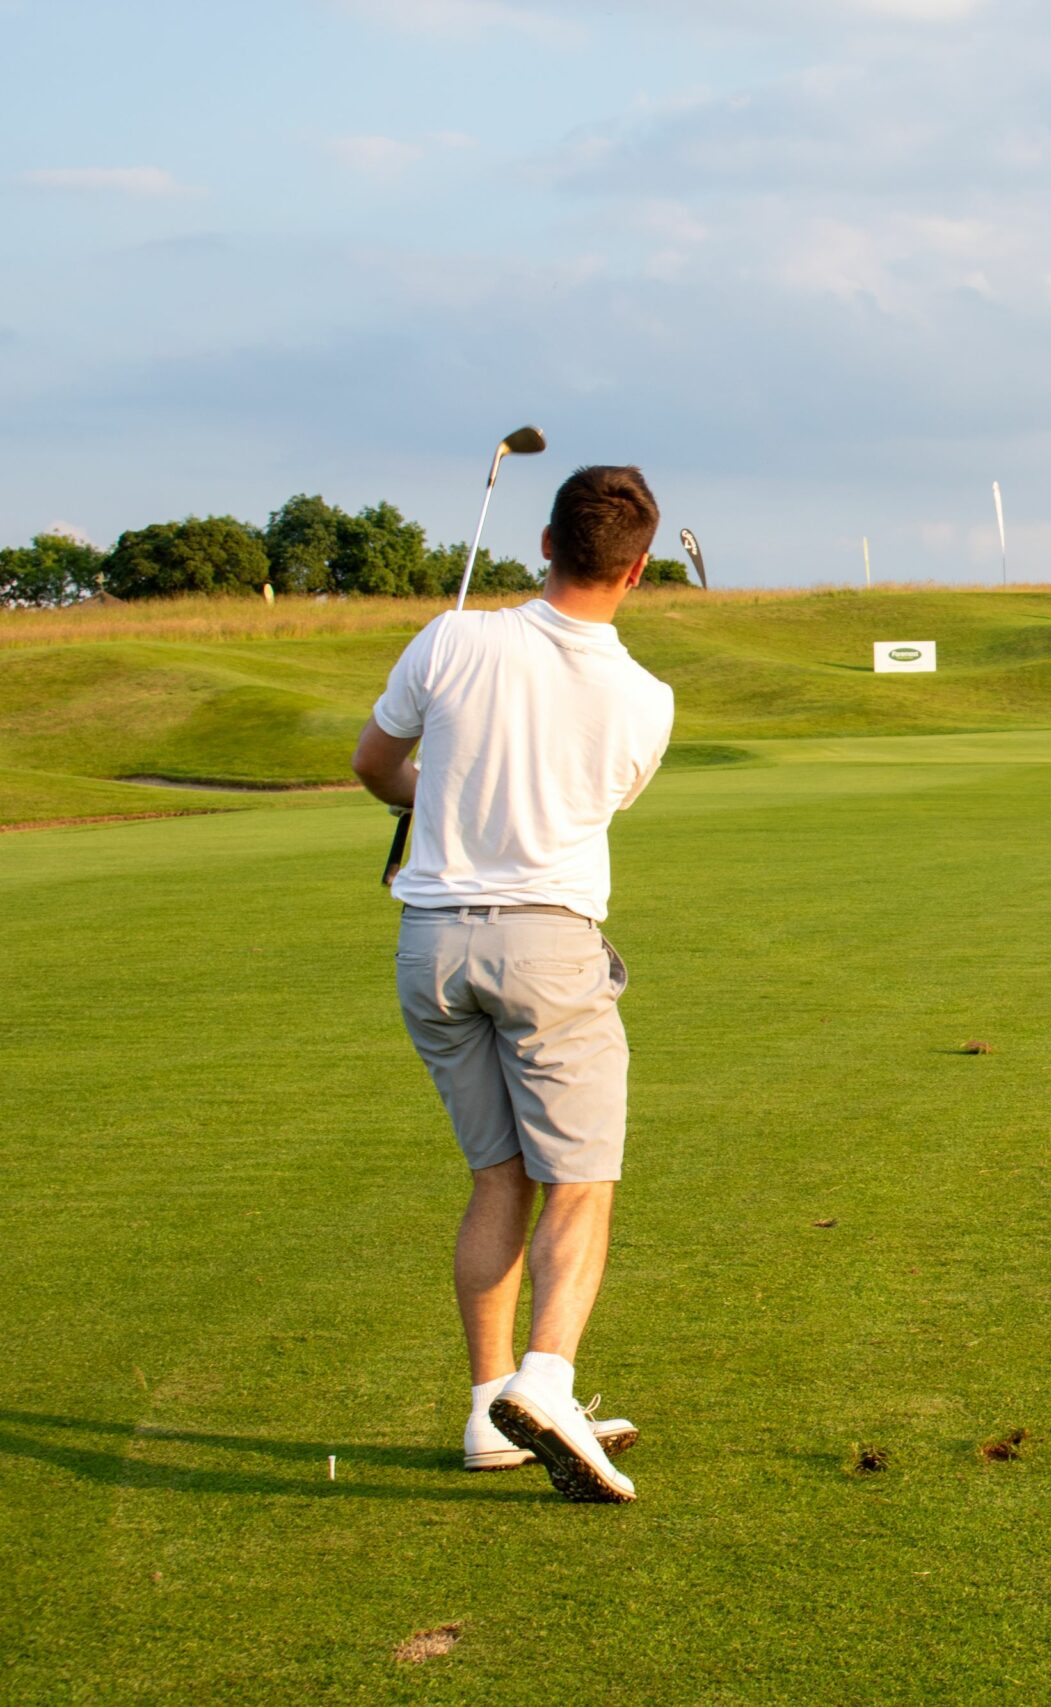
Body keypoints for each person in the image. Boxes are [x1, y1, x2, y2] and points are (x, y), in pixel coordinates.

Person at [351, 465, 675, 1505]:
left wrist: (428, 792)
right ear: (635, 568)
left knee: (499, 1178)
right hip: (546, 948)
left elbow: (376, 766)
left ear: (545, 540)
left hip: (431, 949)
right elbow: (588, 805)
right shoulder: (644, 698)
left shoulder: (451, 638)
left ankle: (490, 1413)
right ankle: (544, 1384)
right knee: (580, 1180)